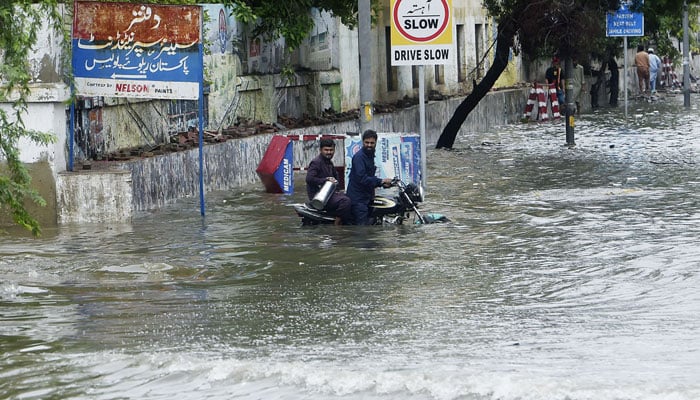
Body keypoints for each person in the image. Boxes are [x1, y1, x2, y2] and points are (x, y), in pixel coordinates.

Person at [346, 129, 393, 225]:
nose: (369, 145)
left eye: (372, 143)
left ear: (376, 143)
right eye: (367, 142)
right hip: (358, 200)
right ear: (362, 142)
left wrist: (383, 184)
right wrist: (381, 181)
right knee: (363, 230)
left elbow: (370, 177)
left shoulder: (370, 156)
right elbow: (362, 178)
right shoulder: (359, 157)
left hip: (367, 197)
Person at [305, 138, 351, 225]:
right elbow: (309, 179)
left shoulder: (329, 163)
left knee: (350, 197)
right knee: (345, 201)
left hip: (330, 194)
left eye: (331, 150)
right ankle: (337, 225)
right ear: (321, 150)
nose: (329, 152)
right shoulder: (316, 162)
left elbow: (335, 179)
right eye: (326, 150)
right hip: (319, 197)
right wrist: (325, 180)